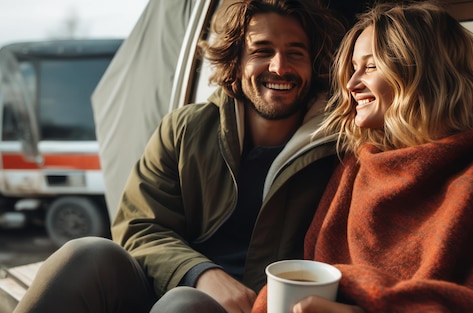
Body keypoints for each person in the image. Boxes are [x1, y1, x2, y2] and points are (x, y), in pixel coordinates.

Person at [252, 1, 473, 312]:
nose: (351, 84)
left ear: (420, 71)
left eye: (371, 66)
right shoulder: (359, 163)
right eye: (352, 69)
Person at [14, 0, 346, 312]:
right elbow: (140, 226)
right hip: (165, 287)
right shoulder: (185, 128)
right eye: (262, 50)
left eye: (295, 53)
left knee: (186, 305)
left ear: (314, 64)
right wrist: (200, 273)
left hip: (256, 304)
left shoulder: (337, 149)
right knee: (84, 253)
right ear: (236, 60)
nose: (279, 66)